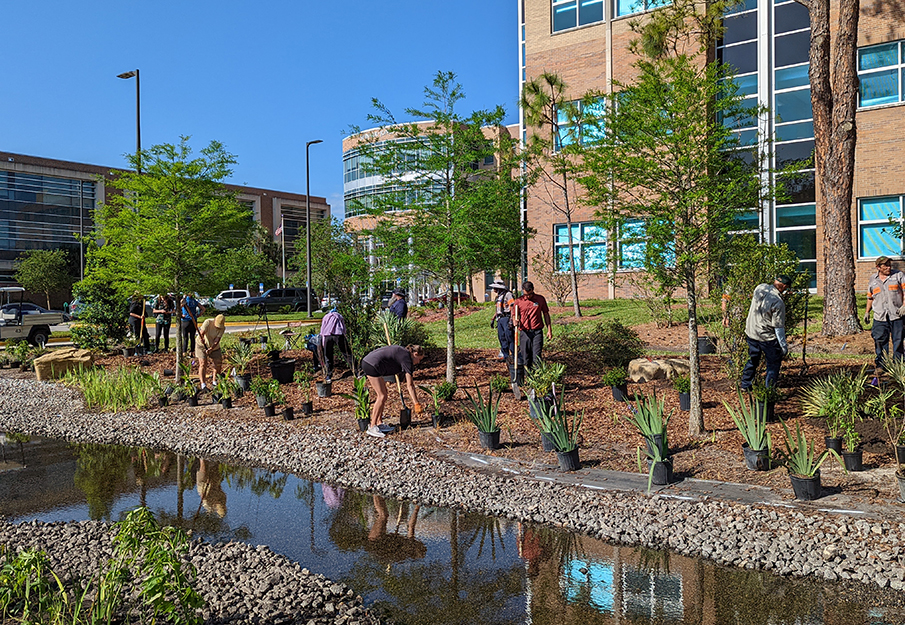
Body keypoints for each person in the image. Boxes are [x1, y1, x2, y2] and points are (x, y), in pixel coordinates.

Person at [360, 344, 424, 438]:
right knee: (381, 396)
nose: (418, 362)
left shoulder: (403, 353)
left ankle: (379, 423)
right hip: (372, 364)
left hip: (372, 362)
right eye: (419, 359)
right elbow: (410, 385)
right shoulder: (406, 358)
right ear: (415, 354)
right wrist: (416, 403)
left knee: (384, 394)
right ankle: (372, 426)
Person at [740, 275, 791, 391]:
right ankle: (769, 390)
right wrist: (783, 346)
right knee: (773, 363)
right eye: (786, 288)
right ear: (783, 286)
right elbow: (778, 327)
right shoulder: (778, 302)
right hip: (767, 337)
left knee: (753, 359)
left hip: (751, 333)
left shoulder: (760, 288)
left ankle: (745, 384)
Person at [864, 256, 905, 377]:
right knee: (880, 341)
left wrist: (904, 306)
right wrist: (867, 312)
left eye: (889, 264)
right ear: (878, 267)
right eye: (885, 265)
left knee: (898, 341)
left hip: (897, 314)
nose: (888, 267)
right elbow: (870, 297)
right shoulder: (873, 279)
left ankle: (898, 365)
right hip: (880, 316)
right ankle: (881, 365)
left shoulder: (898, 275)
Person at [510, 281, 553, 371]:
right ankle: (528, 377)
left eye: (530, 294)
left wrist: (549, 330)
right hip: (524, 332)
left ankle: (537, 378)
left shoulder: (540, 299)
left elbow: (546, 314)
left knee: (536, 356)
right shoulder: (519, 301)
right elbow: (514, 315)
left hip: (537, 332)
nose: (528, 297)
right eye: (526, 295)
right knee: (525, 357)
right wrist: (515, 321)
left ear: (533, 290)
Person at [319, 309, 354, 382]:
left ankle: (328, 375)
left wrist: (323, 340)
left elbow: (322, 329)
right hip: (339, 335)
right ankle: (356, 371)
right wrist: (345, 334)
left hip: (327, 335)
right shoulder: (339, 316)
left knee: (328, 355)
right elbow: (343, 327)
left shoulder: (326, 317)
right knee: (347, 353)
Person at [196, 314, 226, 390]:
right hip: (201, 346)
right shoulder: (208, 322)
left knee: (218, 363)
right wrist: (202, 339)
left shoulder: (222, 328)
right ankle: (203, 385)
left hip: (214, 347)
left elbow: (217, 340)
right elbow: (201, 334)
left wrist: (211, 348)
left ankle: (214, 382)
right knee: (203, 363)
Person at [490, 281, 514, 362]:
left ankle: (514, 355)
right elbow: (498, 310)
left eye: (495, 288)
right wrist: (493, 319)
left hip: (506, 318)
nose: (494, 290)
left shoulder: (508, 295)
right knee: (502, 337)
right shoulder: (499, 297)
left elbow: (512, 307)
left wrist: (511, 319)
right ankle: (505, 356)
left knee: (509, 337)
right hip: (500, 319)